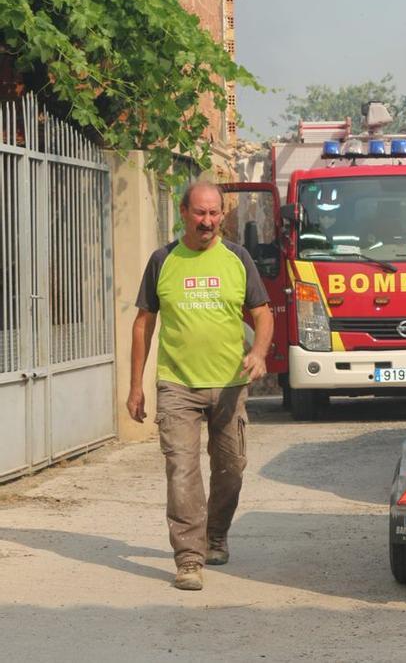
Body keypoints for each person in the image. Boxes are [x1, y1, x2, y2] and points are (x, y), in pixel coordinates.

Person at [126, 181, 273, 591]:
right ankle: (189, 558)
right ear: (183, 212)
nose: (207, 221)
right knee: (182, 470)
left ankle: (215, 534)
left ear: (221, 215)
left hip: (229, 384)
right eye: (200, 213)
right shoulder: (163, 260)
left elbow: (262, 314)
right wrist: (135, 386)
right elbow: (144, 324)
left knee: (232, 468)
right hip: (177, 385)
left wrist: (259, 352)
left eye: (214, 214)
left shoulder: (238, 258)